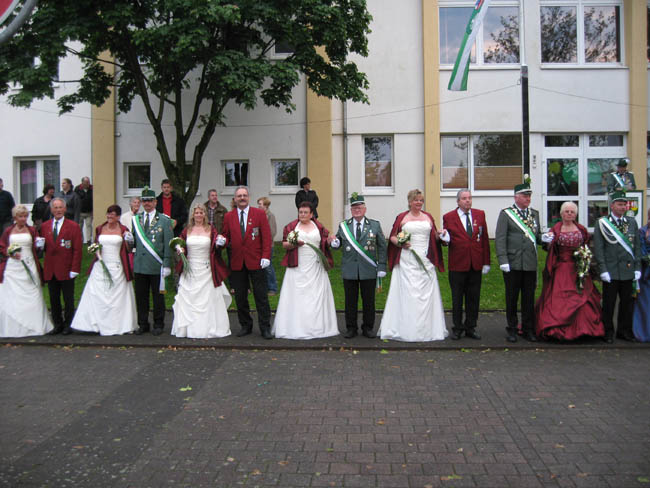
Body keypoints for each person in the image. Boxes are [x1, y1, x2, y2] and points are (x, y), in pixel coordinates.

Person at [379, 189, 448, 342]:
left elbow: (434, 236)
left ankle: (426, 329)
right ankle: (406, 328)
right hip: (407, 259)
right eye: (416, 200)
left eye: (421, 200)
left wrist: (441, 234)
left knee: (425, 295)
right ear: (410, 202)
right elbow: (393, 237)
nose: (419, 203)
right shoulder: (402, 217)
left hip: (425, 259)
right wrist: (401, 243)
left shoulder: (428, 217)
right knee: (409, 294)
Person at [534, 202, 604, 341]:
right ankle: (556, 330)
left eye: (572, 212)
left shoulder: (581, 229)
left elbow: (586, 245)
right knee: (558, 298)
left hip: (578, 268)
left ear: (576, 214)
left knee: (583, 295)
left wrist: (584, 258)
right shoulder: (556, 229)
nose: (569, 214)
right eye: (567, 211)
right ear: (561, 214)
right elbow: (548, 247)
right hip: (561, 268)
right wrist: (547, 241)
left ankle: (584, 330)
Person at [272, 201, 338, 339]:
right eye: (300, 212)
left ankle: (317, 327)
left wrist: (330, 241)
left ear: (311, 214)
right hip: (298, 265)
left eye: (305, 212)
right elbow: (285, 244)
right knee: (298, 296)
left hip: (315, 266)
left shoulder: (318, 226)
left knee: (315, 296)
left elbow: (324, 241)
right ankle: (295, 327)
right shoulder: (291, 227)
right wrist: (294, 244)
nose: (302, 215)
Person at [71, 205, 137, 335]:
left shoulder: (124, 229)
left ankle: (117, 324)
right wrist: (95, 250)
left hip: (117, 265)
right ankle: (95, 324)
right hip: (101, 264)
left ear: (118, 216)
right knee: (96, 293)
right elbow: (96, 244)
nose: (109, 216)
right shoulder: (100, 228)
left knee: (117, 296)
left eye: (112, 214)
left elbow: (129, 249)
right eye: (108, 214)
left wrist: (128, 239)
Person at [217, 186, 273, 339]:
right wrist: (222, 240)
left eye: (244, 195)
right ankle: (245, 325)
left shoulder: (259, 214)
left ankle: (265, 327)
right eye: (239, 196)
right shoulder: (228, 216)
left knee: (261, 296)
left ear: (248, 197)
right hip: (237, 262)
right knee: (240, 297)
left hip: (257, 261)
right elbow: (226, 236)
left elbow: (266, 237)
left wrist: (266, 256)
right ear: (235, 199)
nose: (242, 198)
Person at [495, 181, 548, 343]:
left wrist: (544, 238)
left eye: (529, 196)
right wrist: (503, 260)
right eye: (525, 196)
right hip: (513, 263)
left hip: (529, 263)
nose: (528, 199)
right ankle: (511, 328)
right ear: (516, 197)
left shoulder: (534, 214)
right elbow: (500, 239)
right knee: (512, 298)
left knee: (528, 298)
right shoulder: (506, 214)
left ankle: (527, 328)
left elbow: (536, 237)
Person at [330, 193, 387, 339]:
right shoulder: (344, 226)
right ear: (351, 210)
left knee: (369, 301)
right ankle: (351, 328)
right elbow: (338, 242)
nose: (357, 210)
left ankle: (368, 328)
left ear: (365, 209)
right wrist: (335, 243)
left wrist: (381, 266)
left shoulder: (374, 225)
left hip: (368, 269)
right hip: (350, 269)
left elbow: (382, 246)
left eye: (359, 207)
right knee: (350, 301)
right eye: (354, 208)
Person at [171, 204, 232, 338]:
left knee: (208, 298)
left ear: (205, 214)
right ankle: (188, 329)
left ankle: (208, 328)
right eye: (196, 213)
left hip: (206, 269)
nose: (198, 215)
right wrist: (179, 249)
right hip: (190, 269)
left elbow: (216, 246)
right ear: (193, 215)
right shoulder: (187, 229)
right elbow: (180, 243)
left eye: (201, 213)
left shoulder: (211, 229)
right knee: (188, 298)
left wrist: (220, 243)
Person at [593, 190, 641, 343]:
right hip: (611, 270)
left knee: (627, 303)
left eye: (624, 205)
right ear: (612, 206)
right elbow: (599, 249)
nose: (623, 207)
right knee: (609, 303)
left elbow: (636, 247)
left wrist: (637, 267)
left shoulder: (631, 222)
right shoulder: (602, 223)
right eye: (620, 204)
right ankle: (607, 331)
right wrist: (603, 269)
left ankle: (624, 331)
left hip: (628, 269)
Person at [442, 189, 490, 340]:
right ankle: (457, 328)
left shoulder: (480, 214)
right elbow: (446, 241)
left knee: (473, 298)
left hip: (475, 264)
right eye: (464, 198)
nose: (467, 200)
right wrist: (444, 238)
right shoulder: (449, 217)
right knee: (457, 299)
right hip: (458, 264)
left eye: (469, 198)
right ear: (458, 201)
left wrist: (486, 262)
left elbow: (484, 239)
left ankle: (471, 327)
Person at [0, 205, 53, 337]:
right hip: (13, 266)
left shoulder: (32, 230)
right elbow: (2, 246)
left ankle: (34, 325)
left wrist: (39, 245)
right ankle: (13, 326)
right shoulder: (8, 231)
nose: (23, 219)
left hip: (29, 263)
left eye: (25, 216)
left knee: (33, 292)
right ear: (15, 217)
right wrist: (10, 252)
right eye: (20, 216)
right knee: (12, 294)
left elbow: (37, 246)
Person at [37, 197, 83, 335]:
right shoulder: (45, 226)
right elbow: (43, 249)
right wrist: (39, 247)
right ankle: (57, 324)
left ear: (65, 209)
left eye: (60, 207)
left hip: (66, 269)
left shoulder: (73, 226)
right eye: (55, 208)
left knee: (68, 299)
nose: (58, 210)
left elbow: (77, 250)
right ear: (51, 210)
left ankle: (68, 324)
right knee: (54, 299)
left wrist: (75, 269)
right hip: (51, 269)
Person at [132, 187, 173, 335]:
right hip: (140, 265)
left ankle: (158, 323)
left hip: (156, 265)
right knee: (141, 297)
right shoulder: (136, 219)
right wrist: (129, 241)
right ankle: (143, 324)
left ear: (155, 202)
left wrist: (167, 264)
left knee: (158, 297)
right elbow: (135, 243)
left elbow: (168, 244)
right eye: (144, 201)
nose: (147, 203)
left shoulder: (164, 220)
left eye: (150, 200)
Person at [633, 208, 650, 342]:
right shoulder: (642, 232)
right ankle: (645, 331)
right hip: (647, 273)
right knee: (645, 303)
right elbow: (641, 251)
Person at [257, 196, 278, 295]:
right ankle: (264, 286)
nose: (258, 206)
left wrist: (264, 240)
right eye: (258, 204)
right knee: (261, 267)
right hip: (258, 245)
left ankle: (273, 288)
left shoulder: (270, 216)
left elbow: (272, 232)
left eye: (260, 204)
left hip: (268, 245)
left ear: (265, 205)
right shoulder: (258, 215)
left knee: (268, 267)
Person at [75, 176, 93, 244]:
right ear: (82, 182)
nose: (87, 184)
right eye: (86, 182)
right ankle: (80, 240)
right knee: (79, 226)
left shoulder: (92, 188)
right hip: (80, 212)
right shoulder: (77, 189)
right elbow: (75, 199)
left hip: (89, 211)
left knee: (89, 225)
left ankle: (88, 240)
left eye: (88, 182)